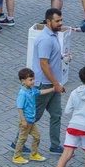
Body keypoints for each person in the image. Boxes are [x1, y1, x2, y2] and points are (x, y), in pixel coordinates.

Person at [30, 8, 68, 154]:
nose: (60, 23)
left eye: (61, 20)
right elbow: (43, 64)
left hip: (53, 83)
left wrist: (61, 57)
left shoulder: (53, 35)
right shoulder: (45, 39)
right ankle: (17, 142)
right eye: (57, 21)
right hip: (45, 84)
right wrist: (56, 84)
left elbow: (50, 58)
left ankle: (55, 145)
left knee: (56, 114)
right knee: (34, 115)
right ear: (48, 21)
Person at [10, 68, 48, 165]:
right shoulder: (23, 93)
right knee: (22, 139)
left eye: (33, 79)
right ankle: (16, 156)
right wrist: (23, 120)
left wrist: (53, 89)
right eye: (30, 80)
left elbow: (40, 92)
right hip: (26, 121)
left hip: (32, 120)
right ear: (23, 81)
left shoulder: (31, 90)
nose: (33, 81)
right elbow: (20, 107)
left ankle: (33, 154)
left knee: (37, 136)